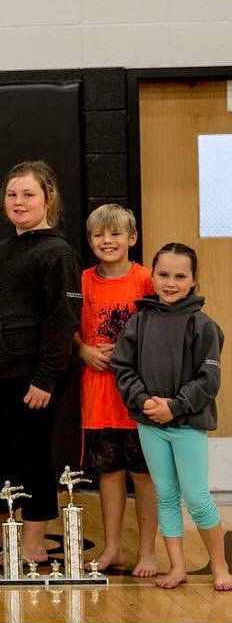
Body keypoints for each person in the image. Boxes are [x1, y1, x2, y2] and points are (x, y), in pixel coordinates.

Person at [0, 161, 81, 563]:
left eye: (28, 194)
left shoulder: (57, 253)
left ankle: (32, 544)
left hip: (31, 377)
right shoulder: (0, 251)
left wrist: (46, 378)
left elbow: (62, 320)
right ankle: (3, 533)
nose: (19, 202)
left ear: (47, 198)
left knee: (30, 456)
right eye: (13, 194)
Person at [111, 243, 231, 591]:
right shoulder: (140, 320)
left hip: (186, 426)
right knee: (164, 493)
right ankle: (176, 567)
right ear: (152, 275)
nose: (170, 282)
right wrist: (144, 401)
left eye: (180, 276)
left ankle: (220, 567)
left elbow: (209, 380)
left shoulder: (203, 325)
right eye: (163, 274)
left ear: (193, 280)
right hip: (150, 424)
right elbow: (123, 366)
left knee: (195, 496)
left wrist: (174, 407)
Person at [74, 204, 157, 576]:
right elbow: (69, 330)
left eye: (115, 234)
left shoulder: (148, 280)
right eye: (98, 235)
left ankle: (149, 551)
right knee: (108, 473)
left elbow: (163, 330)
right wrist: (84, 350)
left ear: (132, 238)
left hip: (138, 393)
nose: (107, 241)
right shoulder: (83, 282)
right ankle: (112, 549)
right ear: (90, 240)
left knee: (143, 475)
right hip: (98, 393)